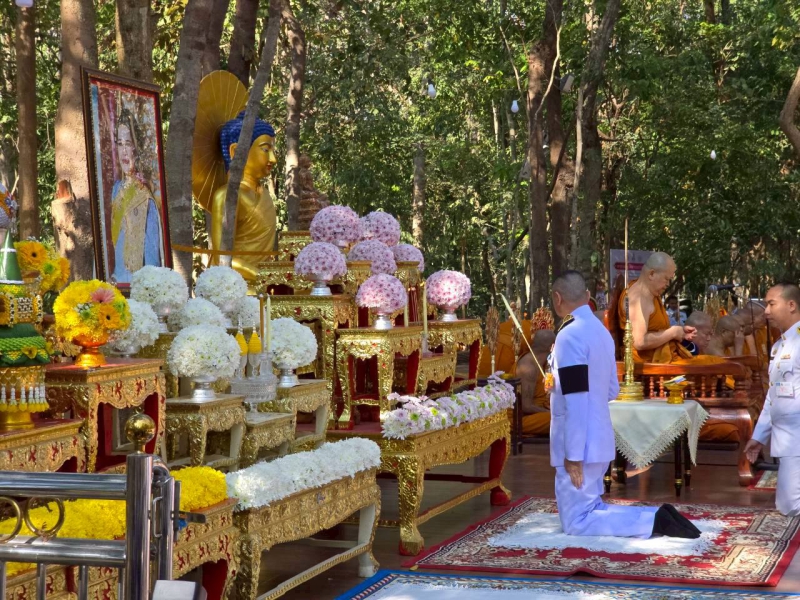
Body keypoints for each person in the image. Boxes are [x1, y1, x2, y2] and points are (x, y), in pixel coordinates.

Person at [547, 270, 700, 538]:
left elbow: (575, 399)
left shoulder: (569, 336)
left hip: (579, 445)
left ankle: (652, 522)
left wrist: (572, 455)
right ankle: (655, 515)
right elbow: (611, 390)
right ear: (587, 296)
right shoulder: (601, 332)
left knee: (576, 522)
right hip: (599, 436)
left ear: (557, 299)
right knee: (591, 507)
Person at [745, 283, 800, 517]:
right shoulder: (779, 346)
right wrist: (759, 437)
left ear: (791, 305)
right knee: (787, 505)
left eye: (771, 304)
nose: (766, 311)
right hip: (786, 438)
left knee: (791, 506)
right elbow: (774, 395)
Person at [110, 108, 164, 283]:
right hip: (117, 279)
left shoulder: (144, 194)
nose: (124, 151)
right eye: (119, 143)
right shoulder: (116, 189)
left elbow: (151, 250)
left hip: (138, 282)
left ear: (136, 147)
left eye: (128, 143)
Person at [617, 253, 697, 364]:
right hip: (652, 368)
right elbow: (639, 341)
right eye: (666, 279)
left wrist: (680, 332)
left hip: (664, 359)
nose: (668, 284)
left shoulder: (648, 293)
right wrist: (673, 333)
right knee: (713, 366)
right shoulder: (638, 297)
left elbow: (656, 329)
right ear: (652, 274)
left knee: (711, 363)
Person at [516, 329, 555, 436]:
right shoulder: (528, 367)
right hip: (522, 419)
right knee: (561, 419)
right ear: (551, 347)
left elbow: (549, 390)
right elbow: (526, 406)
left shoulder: (546, 364)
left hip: (541, 410)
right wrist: (552, 412)